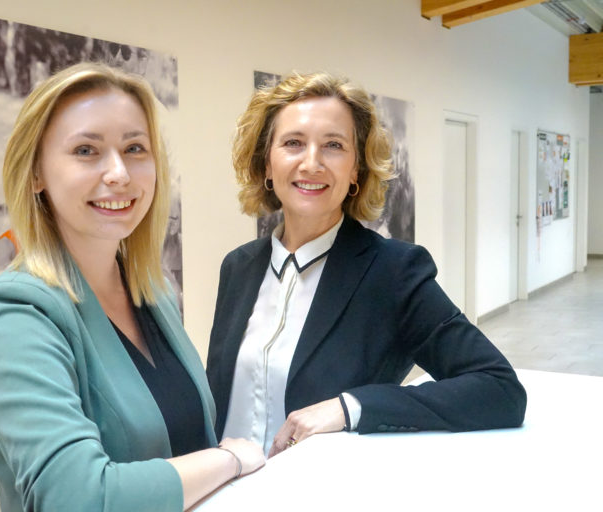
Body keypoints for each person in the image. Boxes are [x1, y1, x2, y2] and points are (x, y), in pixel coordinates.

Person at [0, 63, 264, 512]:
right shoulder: (14, 314)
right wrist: (228, 459)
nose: (119, 172)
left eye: (135, 148)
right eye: (87, 150)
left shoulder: (155, 291)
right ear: (36, 174)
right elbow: (79, 499)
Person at [206, 71, 527, 458]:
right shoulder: (238, 267)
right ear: (267, 165)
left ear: (356, 169)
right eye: (293, 143)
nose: (312, 163)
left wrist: (349, 407)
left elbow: (499, 388)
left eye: (333, 146)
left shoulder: (393, 272)